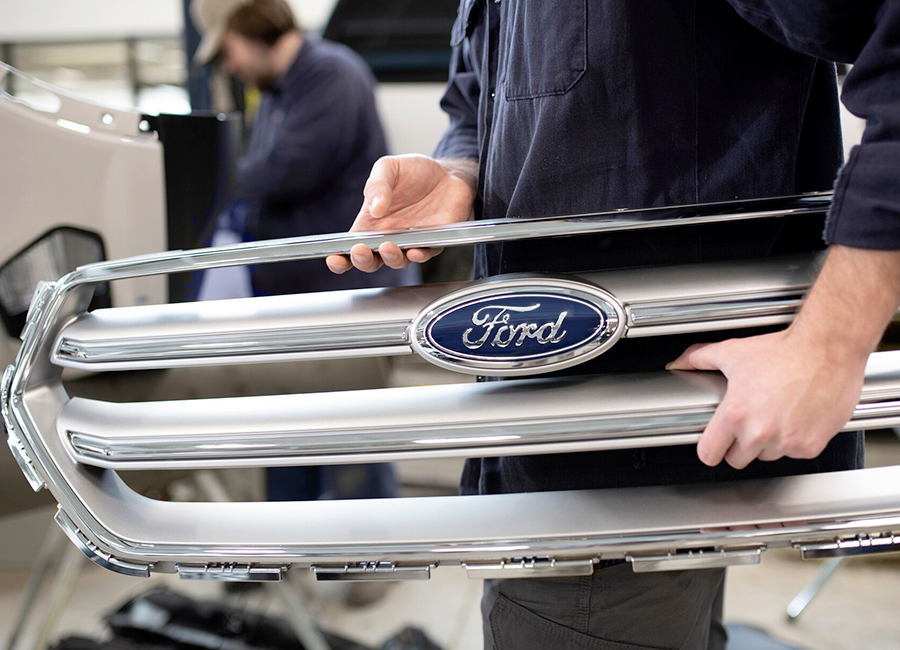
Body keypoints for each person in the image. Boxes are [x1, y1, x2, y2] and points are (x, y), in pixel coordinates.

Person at [326, 1, 900, 648]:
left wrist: (833, 341)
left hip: (640, 468)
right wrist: (461, 171)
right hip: (540, 442)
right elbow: (476, 101)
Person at [191, 0, 414, 529]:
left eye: (228, 50)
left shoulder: (330, 75)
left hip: (346, 294)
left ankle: (375, 553)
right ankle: (291, 543)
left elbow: (286, 170)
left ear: (251, 27)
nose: (229, 65)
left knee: (353, 430)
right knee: (288, 427)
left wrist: (209, 185)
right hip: (300, 295)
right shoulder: (277, 93)